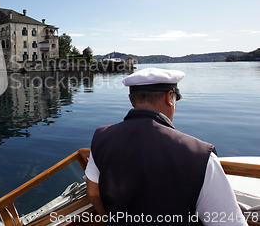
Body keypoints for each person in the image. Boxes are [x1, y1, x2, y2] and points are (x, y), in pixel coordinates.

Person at [85, 68, 247, 225]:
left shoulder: (101, 137)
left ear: (131, 100)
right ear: (170, 97)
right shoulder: (200, 155)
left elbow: (93, 192)